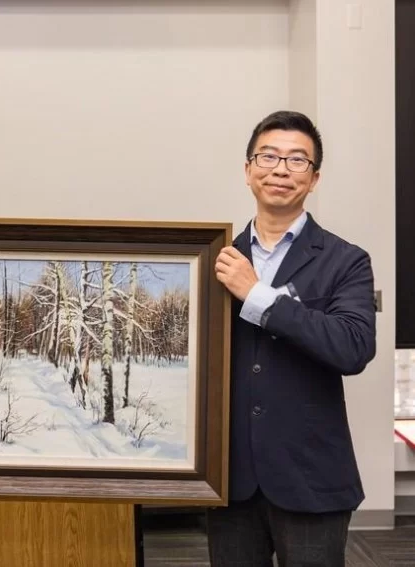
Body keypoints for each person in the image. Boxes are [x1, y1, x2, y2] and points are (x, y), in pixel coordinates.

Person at [209, 110, 377, 566]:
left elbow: (353, 346)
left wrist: (257, 295)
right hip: (229, 478)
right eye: (268, 156)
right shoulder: (214, 257)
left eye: (296, 160)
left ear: (314, 178)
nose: (280, 169)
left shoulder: (346, 260)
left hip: (311, 475)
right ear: (248, 171)